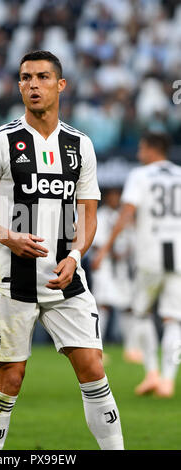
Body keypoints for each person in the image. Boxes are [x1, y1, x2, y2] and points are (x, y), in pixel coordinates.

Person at [0, 50, 124, 450]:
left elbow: (88, 215)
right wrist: (9, 236)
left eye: (42, 77)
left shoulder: (80, 145)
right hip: (13, 284)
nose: (33, 85)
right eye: (25, 78)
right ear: (18, 85)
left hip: (66, 279)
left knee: (93, 368)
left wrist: (75, 255)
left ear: (60, 85)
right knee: (9, 380)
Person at [93, 132, 181, 398]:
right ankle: (168, 380)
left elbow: (127, 213)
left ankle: (152, 373)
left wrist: (104, 249)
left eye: (142, 148)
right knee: (173, 319)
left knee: (141, 313)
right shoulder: (179, 174)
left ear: (152, 149)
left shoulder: (140, 176)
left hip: (150, 255)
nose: (139, 153)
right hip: (178, 256)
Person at [91, 187, 143, 362]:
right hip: (105, 267)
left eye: (117, 196)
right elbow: (96, 243)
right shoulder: (101, 215)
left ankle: (131, 348)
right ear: (106, 198)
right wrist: (112, 253)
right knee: (103, 306)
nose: (115, 199)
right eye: (112, 196)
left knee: (128, 306)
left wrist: (126, 253)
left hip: (122, 269)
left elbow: (134, 241)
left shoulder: (124, 217)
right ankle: (98, 349)